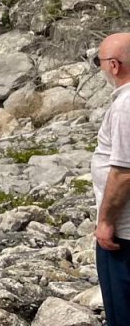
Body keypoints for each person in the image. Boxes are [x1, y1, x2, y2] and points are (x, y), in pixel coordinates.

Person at [92, 32, 130, 324]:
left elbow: (124, 173)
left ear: (114, 66)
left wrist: (105, 222)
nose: (101, 68)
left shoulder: (125, 106)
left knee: (121, 312)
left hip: (124, 235)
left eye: (100, 62)